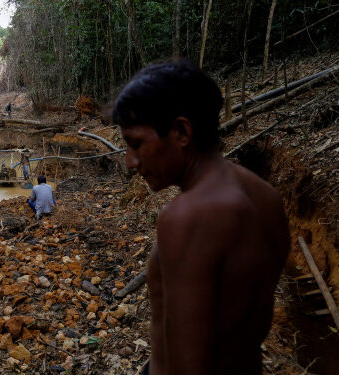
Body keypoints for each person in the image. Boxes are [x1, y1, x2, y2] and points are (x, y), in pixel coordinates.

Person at [113, 59, 290, 375]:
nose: (130, 162)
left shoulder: (187, 217)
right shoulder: (266, 198)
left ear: (181, 132)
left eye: (136, 143)